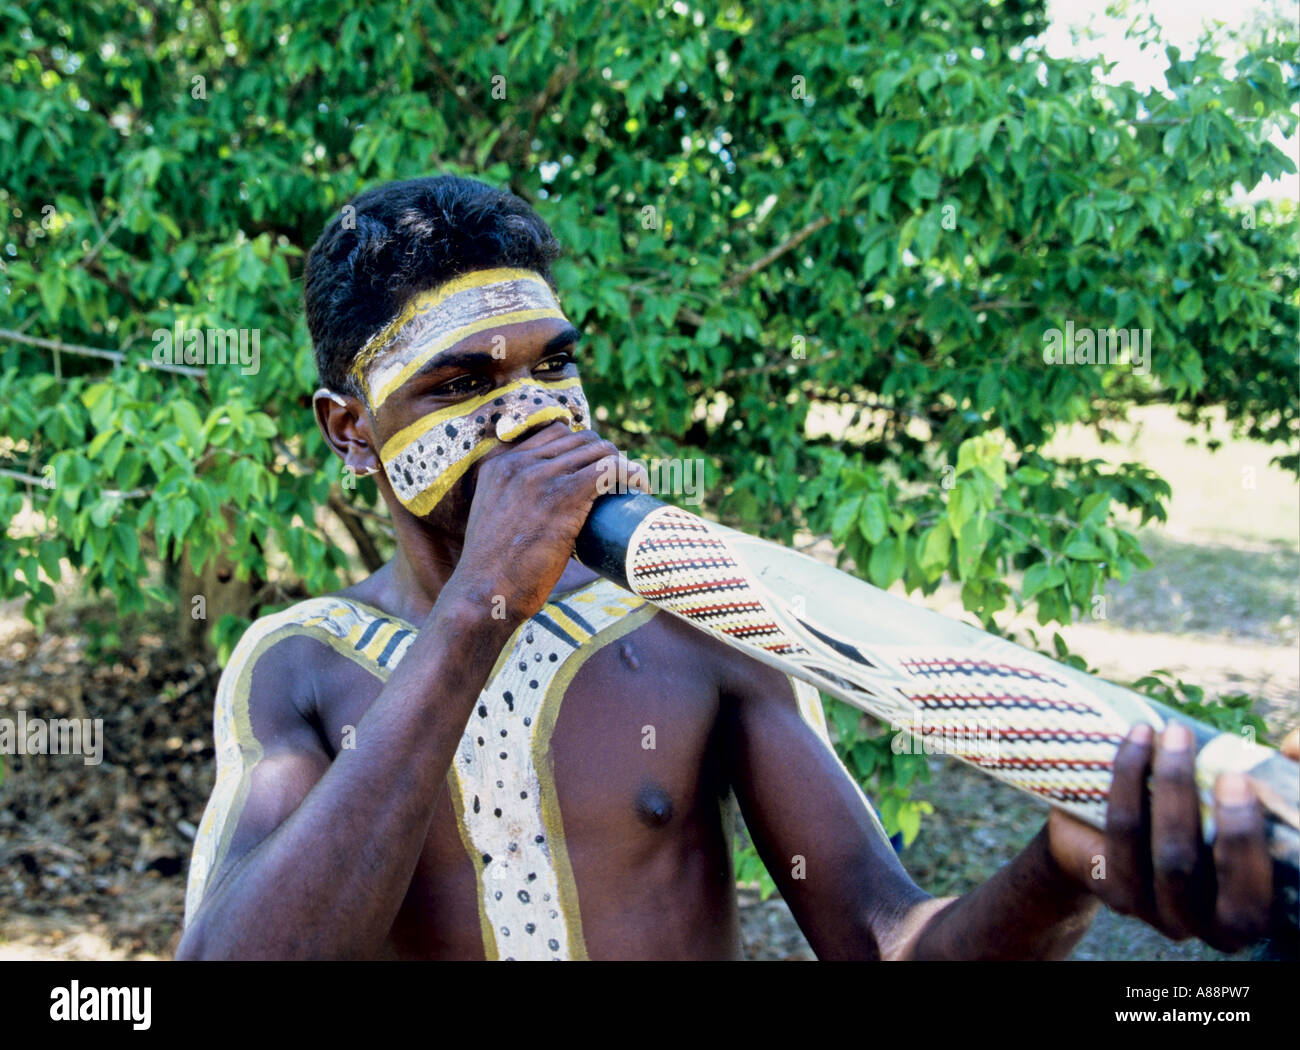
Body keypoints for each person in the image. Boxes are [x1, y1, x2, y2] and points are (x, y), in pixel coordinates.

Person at [176, 175, 1282, 960]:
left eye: (553, 365)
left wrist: (1063, 868)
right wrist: (477, 613)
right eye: (458, 383)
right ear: (349, 429)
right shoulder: (301, 669)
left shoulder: (689, 626)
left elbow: (885, 942)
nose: (529, 417)